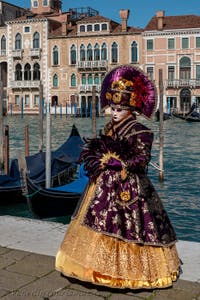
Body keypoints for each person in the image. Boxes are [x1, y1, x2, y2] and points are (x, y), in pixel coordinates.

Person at [55, 65, 181, 290]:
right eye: (112, 108)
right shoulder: (109, 128)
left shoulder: (141, 131)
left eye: (119, 109)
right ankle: (94, 267)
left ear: (131, 110)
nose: (114, 113)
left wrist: (120, 162)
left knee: (131, 228)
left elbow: (142, 158)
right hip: (104, 186)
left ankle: (129, 272)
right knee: (96, 220)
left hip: (130, 189)